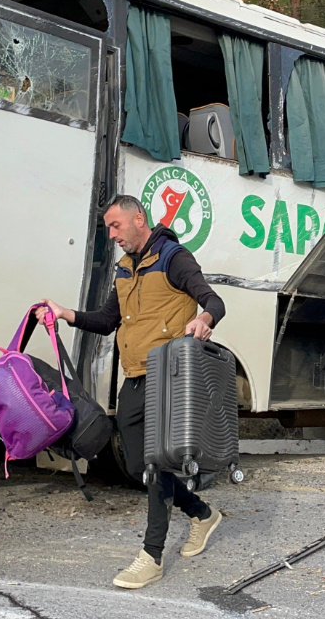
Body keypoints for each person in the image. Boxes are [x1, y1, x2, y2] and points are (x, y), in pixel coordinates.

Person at [39, 194, 227, 590]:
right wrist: (64, 314)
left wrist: (204, 318)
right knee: (139, 467)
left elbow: (213, 299)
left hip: (169, 376)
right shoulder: (124, 269)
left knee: (157, 465)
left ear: (138, 219)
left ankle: (151, 556)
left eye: (116, 226)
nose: (112, 235)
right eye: (109, 228)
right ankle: (202, 513)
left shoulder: (173, 257)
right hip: (135, 377)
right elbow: (107, 321)